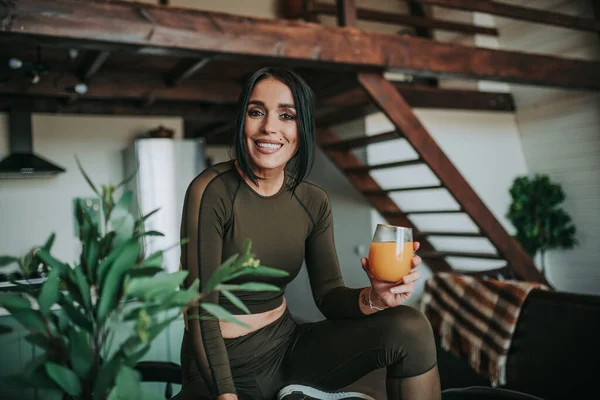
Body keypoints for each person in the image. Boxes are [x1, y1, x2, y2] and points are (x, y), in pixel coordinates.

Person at [178, 67, 441, 400]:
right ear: (241, 121)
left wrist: (374, 299)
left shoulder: (312, 200)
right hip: (221, 363)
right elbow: (201, 311)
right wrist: (226, 395)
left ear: (302, 128)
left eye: (286, 115)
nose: (269, 127)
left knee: (410, 328)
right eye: (256, 112)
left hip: (285, 345)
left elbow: (328, 295)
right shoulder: (211, 191)